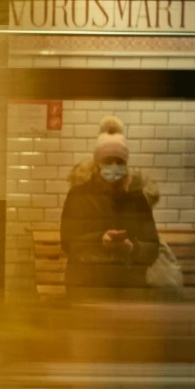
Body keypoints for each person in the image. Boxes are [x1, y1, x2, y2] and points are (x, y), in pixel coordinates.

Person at [61, 115, 160, 298]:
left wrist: (132, 248)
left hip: (128, 285)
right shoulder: (78, 196)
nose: (114, 166)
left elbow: (153, 246)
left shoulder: (137, 199)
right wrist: (100, 240)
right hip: (88, 284)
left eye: (120, 161)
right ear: (97, 164)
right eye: (108, 161)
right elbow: (68, 242)